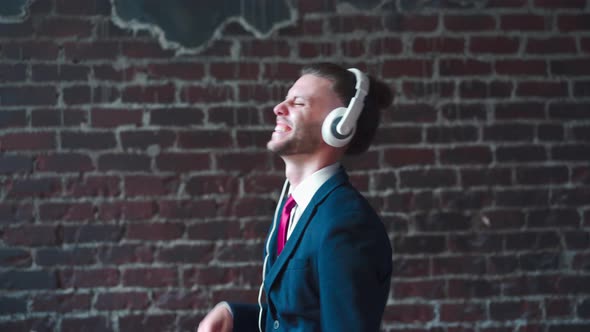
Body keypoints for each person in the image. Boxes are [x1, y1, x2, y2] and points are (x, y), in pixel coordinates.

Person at [198, 62, 394, 332]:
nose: (278, 108)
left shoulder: (346, 224)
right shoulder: (295, 206)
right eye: (285, 100)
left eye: (298, 103)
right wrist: (234, 315)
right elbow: (299, 317)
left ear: (339, 125)